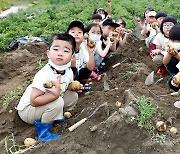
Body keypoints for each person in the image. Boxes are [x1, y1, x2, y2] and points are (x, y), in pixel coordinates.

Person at [16, 33, 79, 143]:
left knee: (72, 96)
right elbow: (34, 101)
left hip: (43, 104)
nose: (60, 53)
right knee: (57, 101)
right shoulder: (44, 74)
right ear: (48, 53)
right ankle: (43, 134)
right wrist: (54, 95)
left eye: (66, 50)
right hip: (27, 111)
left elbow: (66, 84)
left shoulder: (68, 71)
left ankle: (54, 116)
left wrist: (73, 86)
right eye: (56, 49)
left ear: (72, 56)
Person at [67, 20, 95, 84]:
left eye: (79, 32)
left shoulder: (83, 49)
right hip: (63, 77)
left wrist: (91, 52)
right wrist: (73, 66)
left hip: (75, 74)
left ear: (83, 37)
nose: (76, 34)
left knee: (86, 71)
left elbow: (90, 68)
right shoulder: (65, 50)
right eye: (73, 32)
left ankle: (79, 84)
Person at [163, 25, 180, 92]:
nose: (174, 43)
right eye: (172, 40)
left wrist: (176, 55)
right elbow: (165, 62)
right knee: (172, 82)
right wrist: (169, 54)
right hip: (174, 72)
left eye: (178, 41)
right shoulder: (168, 48)